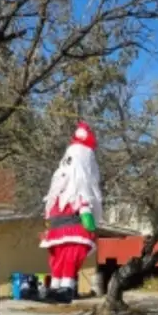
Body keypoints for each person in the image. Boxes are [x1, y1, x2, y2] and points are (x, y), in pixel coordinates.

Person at [39, 121, 104, 303]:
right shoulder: (72, 195)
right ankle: (61, 286)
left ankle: (60, 286)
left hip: (60, 232)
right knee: (66, 257)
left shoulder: (61, 198)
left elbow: (50, 216)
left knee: (63, 257)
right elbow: (87, 216)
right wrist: (90, 225)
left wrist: (47, 228)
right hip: (68, 232)